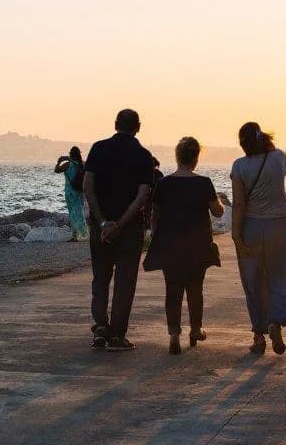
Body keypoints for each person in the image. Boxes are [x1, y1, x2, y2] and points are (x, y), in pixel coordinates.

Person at [144, 137, 225, 355]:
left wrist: (155, 237)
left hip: (171, 245)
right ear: (196, 158)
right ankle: (196, 329)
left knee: (173, 289)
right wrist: (218, 200)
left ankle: (173, 334)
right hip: (198, 245)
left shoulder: (164, 184)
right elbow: (217, 212)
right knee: (195, 289)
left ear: (177, 156)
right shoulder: (204, 182)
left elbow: (155, 217)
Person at [83, 109, 154, 351]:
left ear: (115, 125)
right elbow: (142, 196)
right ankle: (117, 335)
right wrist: (121, 224)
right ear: (138, 127)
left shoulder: (98, 149)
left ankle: (101, 327)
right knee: (125, 283)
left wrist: (103, 222)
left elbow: (87, 187)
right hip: (130, 229)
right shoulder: (144, 156)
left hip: (100, 228)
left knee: (100, 278)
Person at [231, 122, 286, 355]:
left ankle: (258, 336)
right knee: (282, 276)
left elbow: (239, 204)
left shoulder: (239, 166)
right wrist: (272, 147)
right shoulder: (278, 158)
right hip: (280, 226)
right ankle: (276, 322)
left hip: (252, 226)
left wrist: (235, 233)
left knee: (253, 281)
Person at [54, 146, 88, 240]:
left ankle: (75, 235)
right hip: (80, 191)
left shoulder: (67, 165)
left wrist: (59, 161)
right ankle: (83, 234)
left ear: (70, 154)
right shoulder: (83, 164)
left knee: (72, 212)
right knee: (79, 212)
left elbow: (56, 170)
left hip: (70, 192)